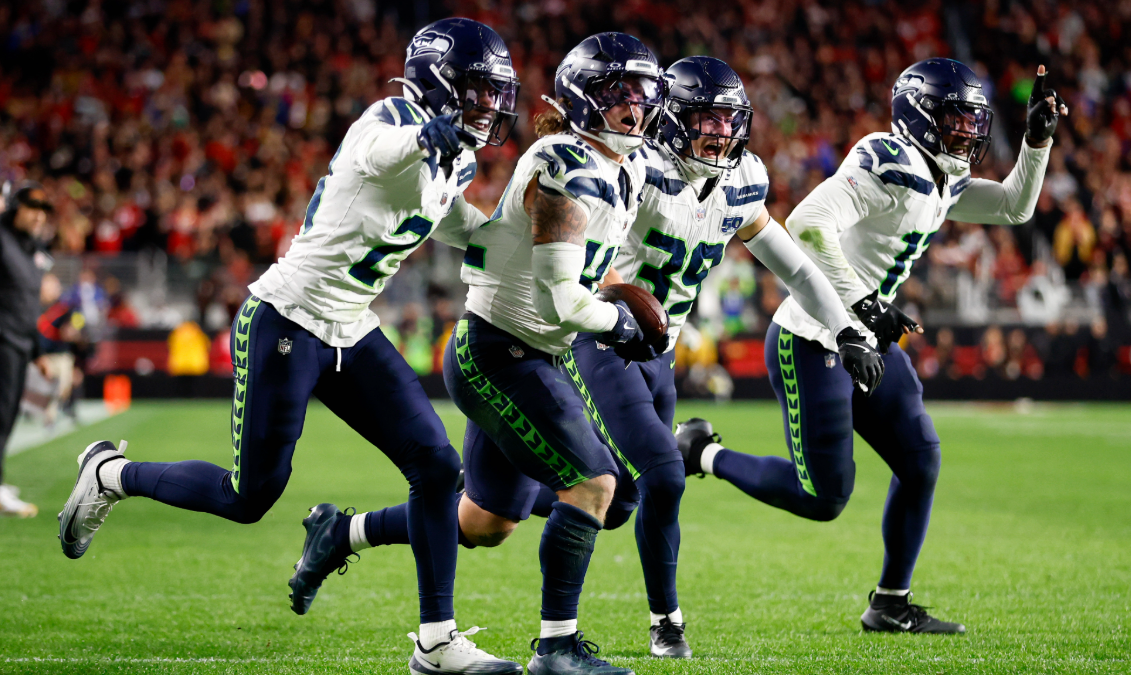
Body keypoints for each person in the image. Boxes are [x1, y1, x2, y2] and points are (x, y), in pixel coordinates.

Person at [57, 18, 523, 675]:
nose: (489, 106)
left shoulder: (457, 154)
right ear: (438, 82)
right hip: (287, 319)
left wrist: (541, 244)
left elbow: (459, 225)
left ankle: (436, 641)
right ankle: (109, 473)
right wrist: (426, 136)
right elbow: (383, 155)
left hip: (350, 326)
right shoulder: (384, 122)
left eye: (494, 93)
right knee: (249, 497)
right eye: (477, 90)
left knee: (436, 466)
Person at [292, 33, 665, 675]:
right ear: (584, 98)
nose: (633, 109)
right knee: (597, 485)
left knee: (486, 522)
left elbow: (543, 267)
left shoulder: (617, 167)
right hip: (503, 353)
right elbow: (562, 302)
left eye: (641, 94)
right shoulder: (565, 164)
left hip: (530, 352)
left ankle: (340, 533)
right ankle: (556, 647)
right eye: (616, 94)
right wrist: (623, 326)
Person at [675, 59, 1065, 633]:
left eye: (972, 121)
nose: (966, 132)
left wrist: (1035, 142)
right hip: (812, 338)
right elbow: (807, 222)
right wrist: (863, 304)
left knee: (920, 459)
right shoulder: (889, 160)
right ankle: (700, 454)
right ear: (919, 116)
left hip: (869, 338)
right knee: (824, 498)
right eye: (955, 119)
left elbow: (1014, 206)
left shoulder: (942, 175)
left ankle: (890, 602)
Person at [528, 56, 882, 658]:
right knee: (665, 473)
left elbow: (793, 263)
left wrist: (846, 329)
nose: (719, 133)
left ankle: (500, 489)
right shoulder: (636, 170)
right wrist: (612, 295)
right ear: (669, 118)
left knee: (619, 502)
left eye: (727, 120)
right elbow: (579, 252)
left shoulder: (743, 180)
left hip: (657, 355)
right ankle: (666, 623)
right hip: (603, 341)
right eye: (705, 119)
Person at [0, 181, 55, 518]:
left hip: (19, 342)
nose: (38, 216)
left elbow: (28, 306)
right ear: (14, 207)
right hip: (2, 338)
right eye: (31, 207)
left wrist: (38, 352)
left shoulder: (28, 247)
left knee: (6, 417)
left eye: (43, 210)